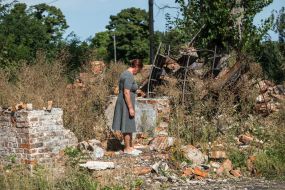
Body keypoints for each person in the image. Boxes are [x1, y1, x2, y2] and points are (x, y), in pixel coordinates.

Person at [112, 59, 144, 154]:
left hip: (124, 101)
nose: (138, 72)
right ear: (136, 67)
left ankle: (129, 146)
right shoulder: (129, 75)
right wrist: (130, 108)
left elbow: (128, 89)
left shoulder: (124, 73)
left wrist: (136, 92)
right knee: (127, 124)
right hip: (126, 103)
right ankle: (127, 148)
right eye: (139, 70)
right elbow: (126, 92)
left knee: (128, 124)